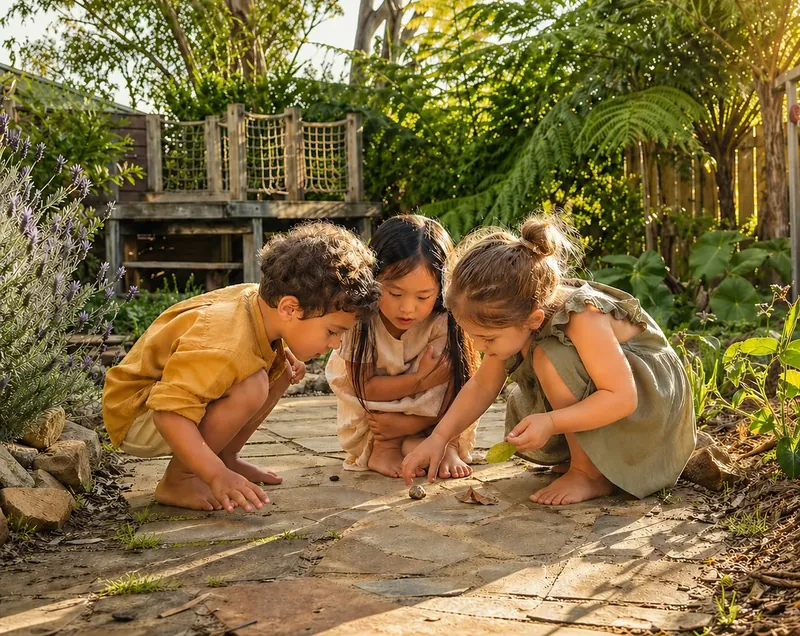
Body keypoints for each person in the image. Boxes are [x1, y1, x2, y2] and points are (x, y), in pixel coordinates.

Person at [402, 213, 696, 505]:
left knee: (547, 357)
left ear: (534, 319)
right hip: (613, 402)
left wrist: (552, 422)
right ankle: (590, 460)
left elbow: (622, 397)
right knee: (543, 362)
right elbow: (482, 386)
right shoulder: (521, 308)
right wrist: (439, 438)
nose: (479, 347)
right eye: (475, 337)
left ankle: (588, 473)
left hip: (650, 408)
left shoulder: (583, 317)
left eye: (488, 339)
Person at [103, 222, 380, 512]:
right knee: (252, 385)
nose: (336, 344)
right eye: (332, 331)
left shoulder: (260, 305)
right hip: (137, 414)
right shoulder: (225, 343)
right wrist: (215, 476)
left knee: (282, 368)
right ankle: (179, 480)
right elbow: (168, 414)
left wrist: (282, 354)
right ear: (289, 308)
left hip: (162, 403)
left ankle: (225, 456)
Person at [326, 215, 478, 479]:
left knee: (451, 372)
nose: (408, 308)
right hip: (376, 422)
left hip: (433, 419)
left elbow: (453, 385)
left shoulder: (444, 320)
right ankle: (386, 447)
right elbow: (365, 388)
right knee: (428, 376)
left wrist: (413, 420)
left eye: (423, 296)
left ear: (442, 289)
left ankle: (441, 442)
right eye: (395, 293)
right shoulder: (360, 318)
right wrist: (419, 379)